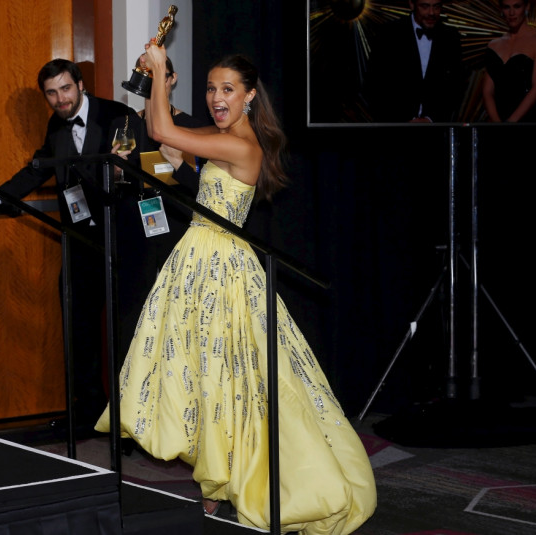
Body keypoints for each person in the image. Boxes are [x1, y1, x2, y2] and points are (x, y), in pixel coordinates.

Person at [96, 42, 377, 535]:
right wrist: (159, 86)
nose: (216, 97)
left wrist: (160, 71)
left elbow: (163, 130)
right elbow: (170, 141)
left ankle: (245, 482)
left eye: (227, 89)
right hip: (199, 263)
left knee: (236, 381)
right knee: (211, 379)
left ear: (249, 96)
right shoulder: (223, 137)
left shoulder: (243, 145)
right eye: (211, 88)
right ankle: (218, 482)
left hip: (222, 270)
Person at [0, 59, 134, 430]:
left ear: (80, 84)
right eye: (51, 93)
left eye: (65, 89)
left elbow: (137, 172)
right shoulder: (56, 124)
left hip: (123, 241)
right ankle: (89, 414)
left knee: (127, 333)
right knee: (78, 327)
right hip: (81, 241)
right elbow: (38, 169)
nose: (60, 99)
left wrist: (120, 172)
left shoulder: (118, 114)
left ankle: (131, 420)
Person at [108, 55, 205, 361]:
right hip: (136, 230)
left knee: (177, 312)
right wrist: (116, 171)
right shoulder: (126, 123)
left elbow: (195, 184)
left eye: (157, 74)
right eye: (143, 74)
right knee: (134, 312)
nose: (149, 82)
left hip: (177, 227)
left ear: (171, 79)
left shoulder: (190, 126)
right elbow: (112, 179)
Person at [363, 0, 464, 123]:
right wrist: (404, 121)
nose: (431, 13)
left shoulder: (450, 37)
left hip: (437, 131)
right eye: (425, 6)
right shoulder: (389, 34)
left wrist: (430, 119)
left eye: (436, 7)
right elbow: (374, 85)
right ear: (412, 4)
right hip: (395, 128)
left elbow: (455, 88)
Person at [482, 0, 536, 123]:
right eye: (507, 7)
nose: (511, 13)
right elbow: (487, 91)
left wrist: (511, 122)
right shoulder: (493, 45)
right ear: (501, 10)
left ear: (527, 7)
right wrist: (497, 123)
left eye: (517, 6)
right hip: (496, 121)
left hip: (526, 120)